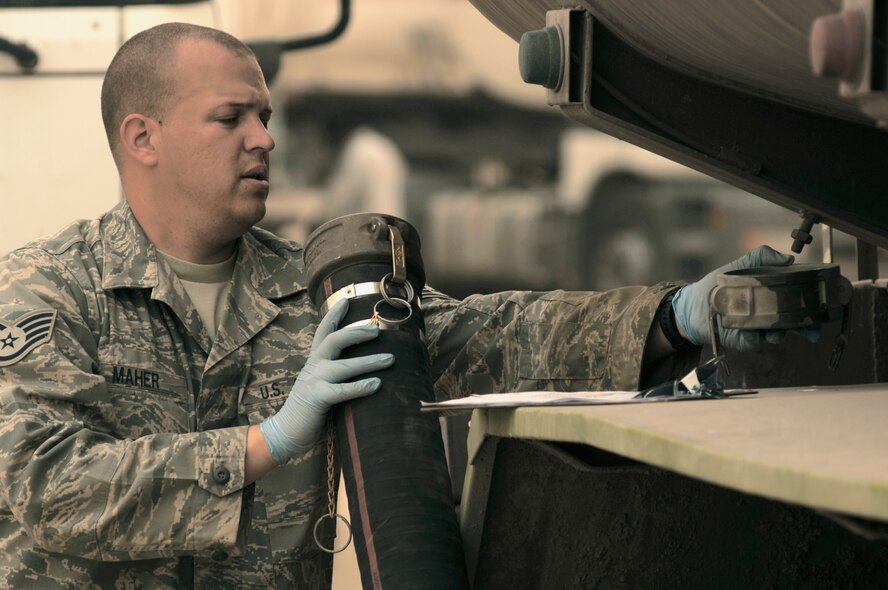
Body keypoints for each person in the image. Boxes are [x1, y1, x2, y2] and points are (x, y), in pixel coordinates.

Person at [0, 22, 800, 588]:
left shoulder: (311, 293)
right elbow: (50, 487)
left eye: (266, 117)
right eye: (231, 117)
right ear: (143, 138)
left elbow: (497, 335)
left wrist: (676, 314)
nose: (265, 139)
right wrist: (270, 441)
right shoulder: (47, 291)